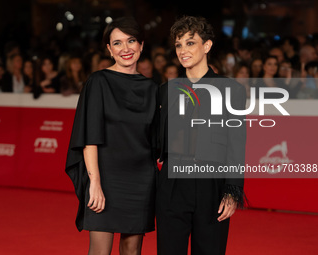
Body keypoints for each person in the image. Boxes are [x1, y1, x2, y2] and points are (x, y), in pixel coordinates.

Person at [65, 17, 158, 255]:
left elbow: (157, 140)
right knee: (99, 251)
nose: (125, 49)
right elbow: (90, 137)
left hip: (141, 180)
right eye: (117, 43)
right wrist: (94, 182)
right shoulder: (98, 82)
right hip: (105, 178)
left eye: (131, 41)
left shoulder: (153, 89)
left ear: (141, 45)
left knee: (132, 251)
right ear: (109, 49)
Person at [156, 16, 246, 255]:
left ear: (206, 46)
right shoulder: (165, 91)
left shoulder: (231, 90)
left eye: (190, 43)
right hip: (172, 183)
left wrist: (232, 190)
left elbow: (236, 144)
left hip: (212, 185)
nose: (183, 50)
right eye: (179, 44)